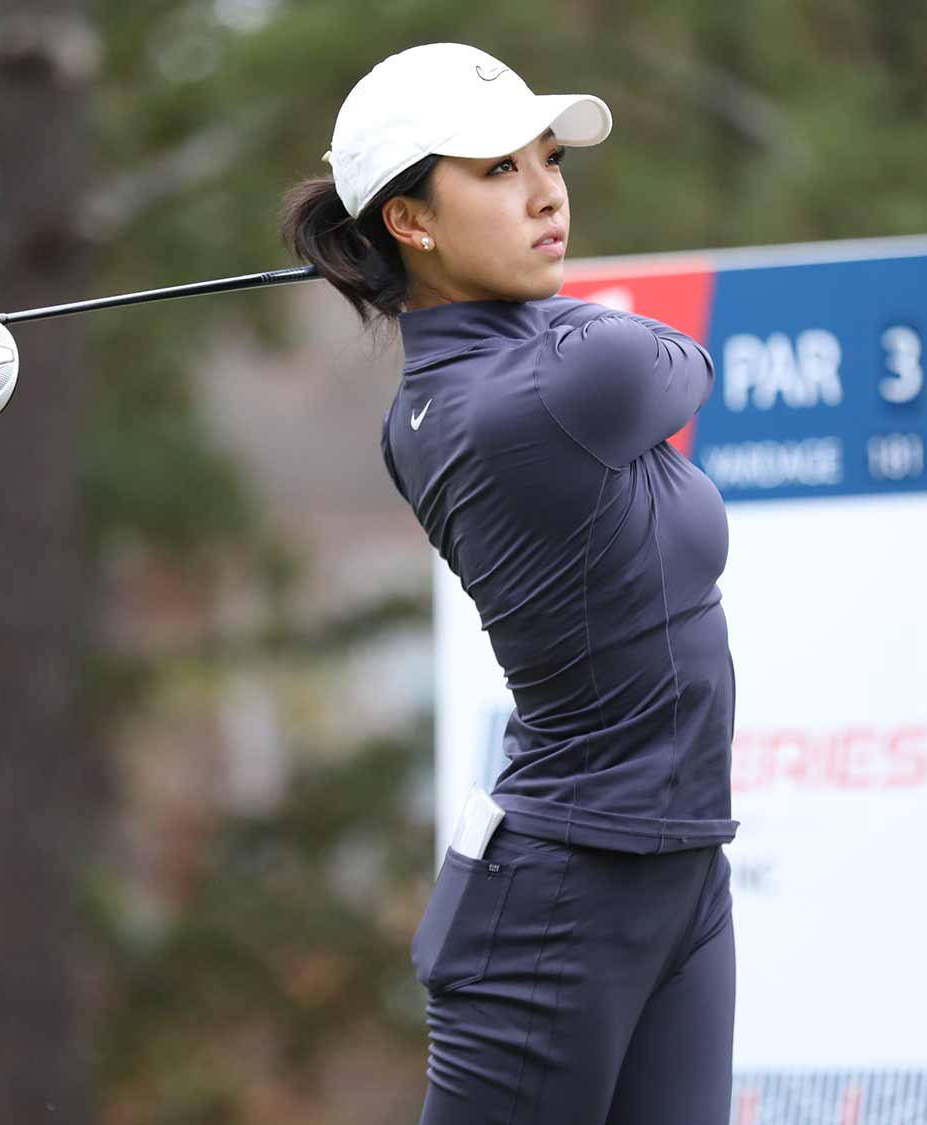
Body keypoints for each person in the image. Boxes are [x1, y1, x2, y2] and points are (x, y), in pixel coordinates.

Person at [280, 43, 739, 1125]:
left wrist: (546, 307)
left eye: (547, 162)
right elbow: (675, 359)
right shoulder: (532, 395)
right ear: (408, 220)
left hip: (677, 873)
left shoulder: (459, 393)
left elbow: (622, 348)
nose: (546, 196)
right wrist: (570, 316)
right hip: (559, 906)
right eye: (496, 171)